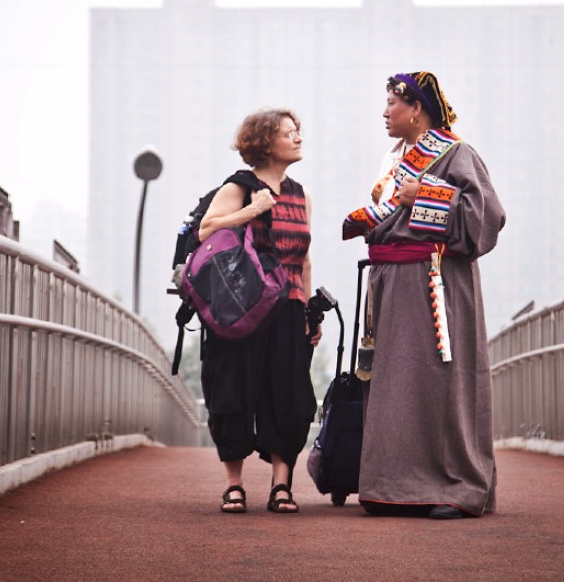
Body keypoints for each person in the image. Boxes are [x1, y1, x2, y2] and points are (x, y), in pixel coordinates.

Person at [342, 71, 505, 519]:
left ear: (416, 108)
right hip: (391, 283)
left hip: (437, 283)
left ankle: (453, 487)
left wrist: (425, 195)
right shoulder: (394, 161)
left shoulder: (457, 154)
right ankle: (390, 487)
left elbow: (486, 217)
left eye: (392, 104)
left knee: (439, 381)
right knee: (394, 381)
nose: (384, 112)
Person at [198, 107, 321, 514]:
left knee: (289, 397)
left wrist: (306, 311)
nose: (299, 137)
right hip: (242, 308)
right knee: (233, 391)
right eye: (290, 132)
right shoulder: (239, 186)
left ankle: (281, 486)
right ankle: (234, 485)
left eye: (298, 131)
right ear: (266, 143)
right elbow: (206, 231)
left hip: (286, 308)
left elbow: (303, 257)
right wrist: (253, 209)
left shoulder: (300, 193)